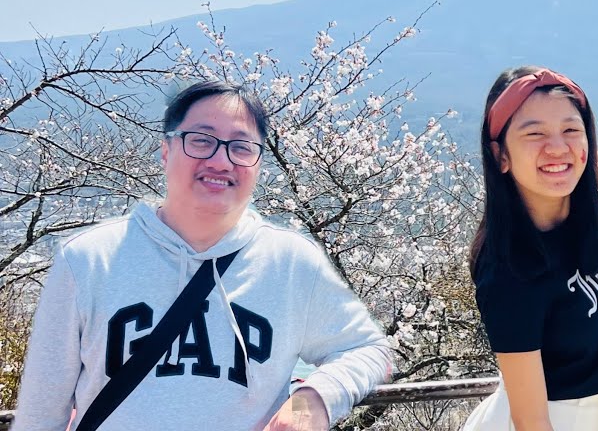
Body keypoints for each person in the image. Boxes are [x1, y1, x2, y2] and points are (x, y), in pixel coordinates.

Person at [13, 80, 394, 431]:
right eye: (201, 140)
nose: (221, 161)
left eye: (242, 147)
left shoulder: (291, 262)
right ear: (166, 150)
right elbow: (40, 412)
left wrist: (311, 402)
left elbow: (367, 349)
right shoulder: (88, 259)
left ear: (258, 164)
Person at [463, 67, 598, 431]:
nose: (558, 148)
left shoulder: (576, 205)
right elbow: (531, 420)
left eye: (571, 130)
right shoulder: (509, 271)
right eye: (535, 133)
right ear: (500, 156)